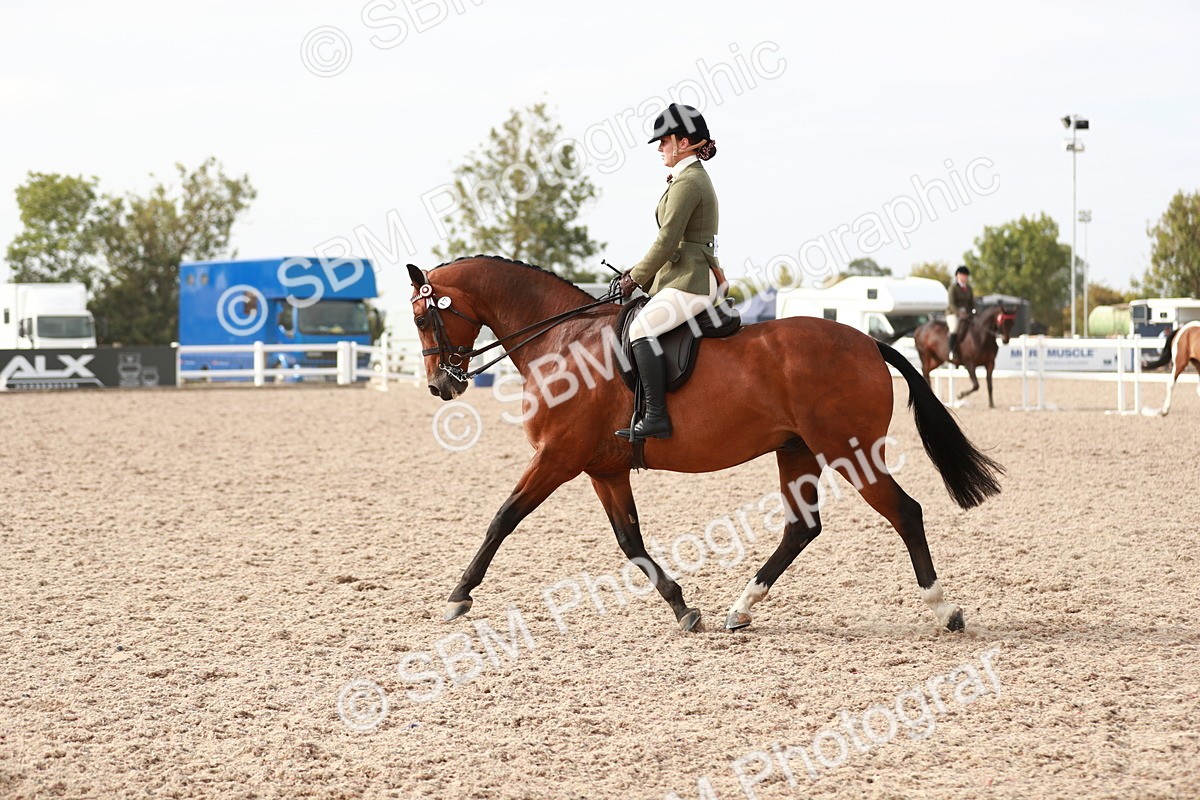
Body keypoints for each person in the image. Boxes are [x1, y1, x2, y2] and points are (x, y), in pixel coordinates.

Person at [615, 103, 722, 442]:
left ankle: (656, 416)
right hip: (681, 276)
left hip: (690, 281)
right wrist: (635, 269)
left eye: (664, 141)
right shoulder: (685, 178)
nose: (660, 147)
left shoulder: (689, 182)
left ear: (685, 142)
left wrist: (636, 277)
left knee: (640, 331)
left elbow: (667, 240)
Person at [947, 265, 976, 363]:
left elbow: (972, 302)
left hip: (967, 314)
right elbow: (952, 304)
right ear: (958, 276)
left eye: (966, 275)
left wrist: (973, 310)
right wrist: (959, 313)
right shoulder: (953, 287)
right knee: (954, 328)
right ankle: (951, 350)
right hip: (953, 313)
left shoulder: (969, 288)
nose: (965, 277)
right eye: (963, 275)